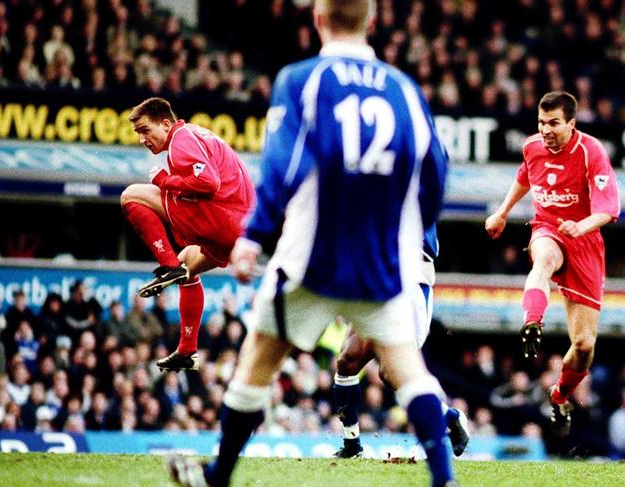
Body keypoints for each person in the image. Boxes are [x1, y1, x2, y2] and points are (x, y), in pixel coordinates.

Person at [168, 1, 455, 486]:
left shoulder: (301, 79)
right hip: (380, 264)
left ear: (318, 20)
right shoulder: (404, 89)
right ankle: (445, 477)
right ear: (372, 21)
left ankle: (220, 474)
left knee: (257, 358)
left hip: (311, 257)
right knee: (409, 371)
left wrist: (254, 238)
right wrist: (408, 236)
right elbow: (435, 174)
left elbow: (283, 164)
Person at [485, 91, 620, 437]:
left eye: (554, 123)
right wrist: (502, 212)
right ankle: (532, 321)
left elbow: (610, 209)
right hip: (548, 228)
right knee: (542, 259)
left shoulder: (591, 151)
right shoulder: (532, 146)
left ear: (571, 124)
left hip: (585, 241)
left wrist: (582, 225)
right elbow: (525, 175)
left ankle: (559, 396)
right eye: (542, 123)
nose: (546, 130)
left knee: (585, 345)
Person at [121, 97, 255, 372]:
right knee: (187, 267)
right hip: (238, 229)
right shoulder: (196, 135)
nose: (142, 139)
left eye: (145, 130)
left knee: (131, 195)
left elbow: (208, 182)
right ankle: (186, 350)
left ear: (166, 123)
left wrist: (163, 180)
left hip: (220, 217)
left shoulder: (181, 138)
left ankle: (168, 266)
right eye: (139, 134)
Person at [332, 224, 469, 458]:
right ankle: (352, 445)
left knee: (391, 372)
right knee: (348, 360)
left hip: (410, 279)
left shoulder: (411, 189)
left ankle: (450, 418)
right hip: (376, 276)